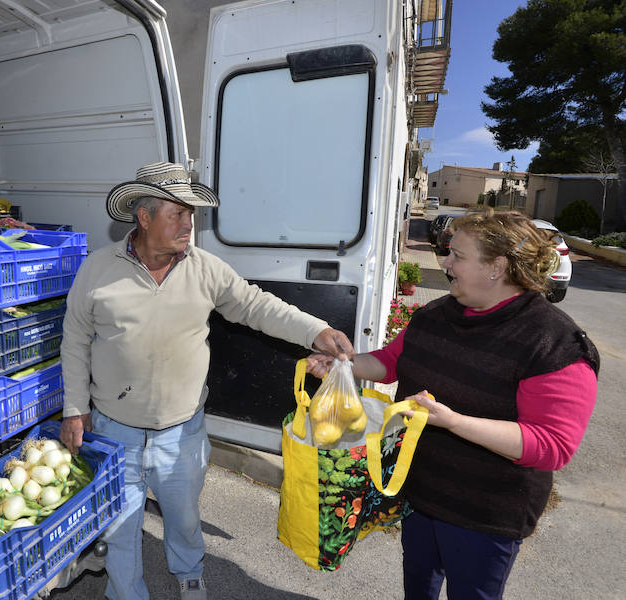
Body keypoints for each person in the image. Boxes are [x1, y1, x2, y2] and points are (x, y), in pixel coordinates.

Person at [59, 161, 354, 600]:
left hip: (181, 431)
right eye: (177, 213)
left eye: (191, 214)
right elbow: (75, 340)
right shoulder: (98, 269)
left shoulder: (204, 268)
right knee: (120, 525)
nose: (188, 224)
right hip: (114, 429)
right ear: (144, 217)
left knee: (182, 518)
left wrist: (317, 330)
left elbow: (258, 306)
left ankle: (189, 570)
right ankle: (126, 593)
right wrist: (74, 409)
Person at [308, 209, 599, 600]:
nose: (445, 263)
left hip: (486, 515)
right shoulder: (434, 315)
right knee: (419, 589)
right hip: (422, 494)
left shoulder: (555, 343)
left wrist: (454, 422)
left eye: (458, 256)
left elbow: (551, 446)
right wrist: (342, 366)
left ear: (497, 267)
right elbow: (393, 362)